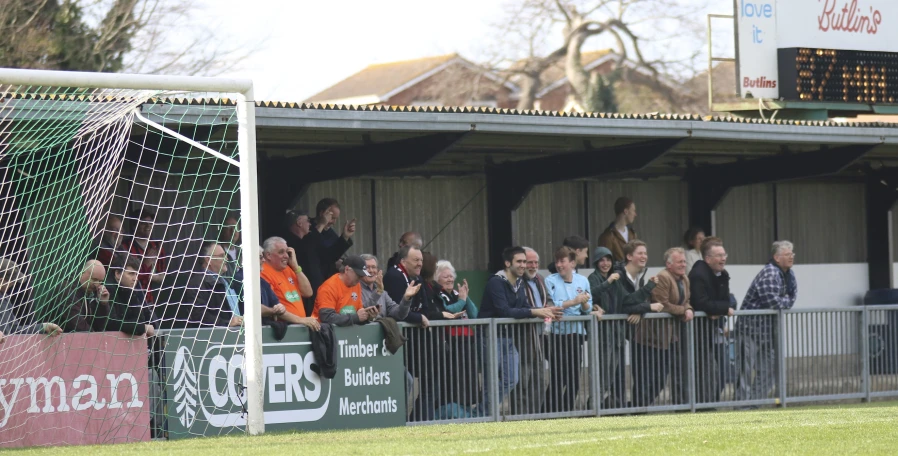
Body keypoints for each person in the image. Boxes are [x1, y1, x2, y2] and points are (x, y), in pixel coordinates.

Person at [479, 246, 562, 416]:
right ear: (508, 263)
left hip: (508, 338)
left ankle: (483, 412)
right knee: (492, 381)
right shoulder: (496, 282)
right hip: (491, 337)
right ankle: (484, 415)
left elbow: (524, 307)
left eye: (525, 261)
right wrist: (535, 312)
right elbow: (504, 310)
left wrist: (545, 311)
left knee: (511, 379)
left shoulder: (518, 283)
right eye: (520, 261)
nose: (523, 265)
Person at [383, 245, 442, 421]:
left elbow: (425, 307)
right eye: (416, 260)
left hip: (418, 340)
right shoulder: (394, 277)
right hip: (405, 341)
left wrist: (421, 315)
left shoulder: (416, 278)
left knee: (432, 382)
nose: (419, 264)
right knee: (410, 381)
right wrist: (419, 317)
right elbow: (398, 311)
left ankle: (420, 419)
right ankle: (405, 420)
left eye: (421, 261)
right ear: (403, 261)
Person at [736, 240, 797, 407]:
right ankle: (742, 407)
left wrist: (784, 300)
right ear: (777, 258)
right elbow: (773, 302)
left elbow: (792, 298)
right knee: (745, 371)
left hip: (768, 333)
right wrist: (784, 300)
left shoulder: (789, 274)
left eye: (792, 254)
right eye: (787, 254)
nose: (791, 257)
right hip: (749, 330)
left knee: (769, 371)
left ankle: (755, 404)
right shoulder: (770, 273)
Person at [631, 247, 693, 407]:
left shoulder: (684, 279)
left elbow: (686, 300)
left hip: (669, 338)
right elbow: (663, 305)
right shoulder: (663, 277)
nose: (683, 264)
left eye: (684, 261)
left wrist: (689, 309)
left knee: (660, 379)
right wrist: (684, 311)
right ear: (669, 264)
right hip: (650, 337)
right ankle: (638, 409)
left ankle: (639, 406)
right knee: (646, 378)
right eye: (680, 262)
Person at [544, 246, 592, 412]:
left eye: (562, 261)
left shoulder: (582, 281)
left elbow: (587, 308)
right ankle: (549, 410)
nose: (559, 264)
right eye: (557, 261)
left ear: (572, 263)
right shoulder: (550, 280)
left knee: (574, 378)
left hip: (576, 333)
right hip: (556, 334)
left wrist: (584, 302)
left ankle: (568, 410)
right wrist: (573, 302)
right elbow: (551, 305)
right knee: (558, 376)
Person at [689, 236, 735, 404]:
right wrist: (721, 309)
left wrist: (717, 309)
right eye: (719, 255)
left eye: (724, 254)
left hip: (715, 329)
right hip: (699, 332)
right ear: (708, 259)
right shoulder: (698, 274)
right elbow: (701, 303)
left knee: (723, 370)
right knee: (705, 371)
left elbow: (726, 301)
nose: (723, 258)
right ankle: (703, 405)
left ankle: (712, 403)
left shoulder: (723, 274)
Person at [283, 208, 354, 316]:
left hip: (315, 293)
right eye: (307, 221)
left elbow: (329, 256)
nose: (310, 224)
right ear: (299, 223)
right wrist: (321, 224)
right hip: (299, 293)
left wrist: (345, 237)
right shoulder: (288, 242)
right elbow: (304, 247)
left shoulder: (310, 241)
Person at [433, 260, 479, 413]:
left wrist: (466, 297)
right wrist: (461, 301)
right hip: (450, 343)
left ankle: (466, 409)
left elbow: (474, 314)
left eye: (451, 276)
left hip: (467, 342)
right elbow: (447, 312)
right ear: (437, 278)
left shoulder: (458, 294)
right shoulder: (437, 294)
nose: (450, 279)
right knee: (453, 380)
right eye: (445, 276)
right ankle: (449, 412)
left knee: (468, 380)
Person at [170, 242, 243, 329]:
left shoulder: (226, 281)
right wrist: (227, 323)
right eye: (221, 255)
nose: (226, 258)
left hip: (238, 332)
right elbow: (198, 315)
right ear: (209, 260)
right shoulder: (198, 283)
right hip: (219, 337)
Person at [587, 246, 626, 408]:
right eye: (601, 260)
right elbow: (591, 294)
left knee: (610, 374)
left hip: (616, 334)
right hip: (602, 335)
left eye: (608, 259)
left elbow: (626, 298)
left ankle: (597, 405)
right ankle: (593, 406)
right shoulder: (593, 278)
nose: (605, 263)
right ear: (596, 262)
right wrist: (609, 282)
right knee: (601, 373)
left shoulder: (616, 279)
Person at [259, 236, 319, 330]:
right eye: (281, 252)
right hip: (284, 329)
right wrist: (300, 320)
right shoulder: (263, 273)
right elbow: (273, 306)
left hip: (299, 325)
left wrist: (295, 267)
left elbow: (308, 293)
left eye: (287, 252)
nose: (286, 256)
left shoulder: (288, 269)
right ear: (268, 255)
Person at [516, 246, 549, 415]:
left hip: (540, 337)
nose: (533, 266)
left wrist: (550, 310)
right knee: (522, 380)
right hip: (522, 338)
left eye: (536, 262)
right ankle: (520, 417)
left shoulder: (540, 279)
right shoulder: (516, 281)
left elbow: (547, 300)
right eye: (529, 262)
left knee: (539, 380)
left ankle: (536, 416)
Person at [0, 258, 61, 343]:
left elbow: (14, 329)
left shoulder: (4, 298)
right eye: (12, 281)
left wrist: (42, 327)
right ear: (1, 280)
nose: (14, 284)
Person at [312, 255, 378, 326]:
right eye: (358, 274)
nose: (360, 278)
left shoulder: (356, 284)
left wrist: (367, 316)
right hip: (325, 333)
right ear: (347, 269)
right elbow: (327, 317)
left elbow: (359, 312)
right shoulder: (329, 287)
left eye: (362, 275)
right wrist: (355, 317)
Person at [105, 254, 156, 337]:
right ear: (118, 274)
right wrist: (143, 328)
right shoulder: (108, 289)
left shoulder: (129, 289)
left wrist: (139, 327)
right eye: (131, 274)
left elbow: (140, 319)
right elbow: (111, 323)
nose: (135, 278)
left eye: (136, 274)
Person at [60, 259, 112, 332]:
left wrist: (103, 304)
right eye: (94, 279)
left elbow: (98, 327)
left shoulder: (93, 292)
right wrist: (94, 338)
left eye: (100, 281)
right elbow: (77, 325)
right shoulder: (66, 290)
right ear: (82, 273)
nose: (97, 284)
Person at [358, 254, 414, 320]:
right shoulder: (355, 289)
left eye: (373, 267)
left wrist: (406, 299)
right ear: (359, 271)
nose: (371, 271)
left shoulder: (383, 293)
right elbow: (362, 311)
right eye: (367, 267)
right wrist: (378, 292)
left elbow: (399, 314)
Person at [127, 210, 166, 303]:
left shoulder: (156, 247)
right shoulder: (125, 247)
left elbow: (162, 276)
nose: (148, 226)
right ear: (134, 225)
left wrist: (151, 276)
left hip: (148, 300)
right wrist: (145, 264)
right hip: (129, 299)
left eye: (150, 223)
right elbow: (124, 276)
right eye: (143, 223)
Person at [598, 197, 638, 262]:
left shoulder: (632, 234)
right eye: (633, 210)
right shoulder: (607, 236)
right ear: (626, 211)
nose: (635, 214)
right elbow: (604, 262)